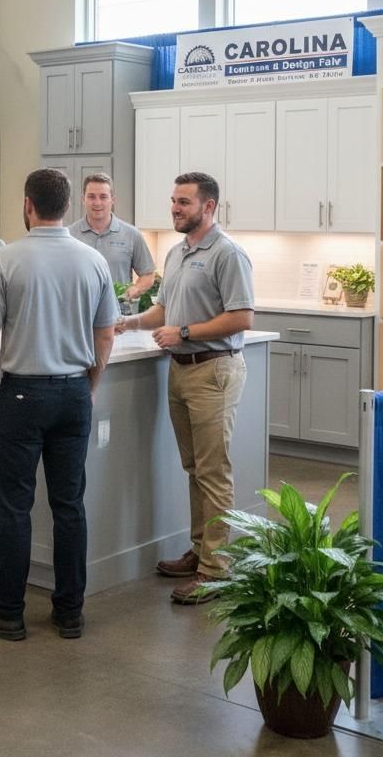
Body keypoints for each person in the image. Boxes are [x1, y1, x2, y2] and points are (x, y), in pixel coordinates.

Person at [0, 168, 118, 641]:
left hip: (22, 395)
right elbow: (105, 334)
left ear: (28, 205)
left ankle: (8, 611)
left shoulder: (5, 261)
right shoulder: (93, 261)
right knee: (69, 504)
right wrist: (88, 386)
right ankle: (69, 611)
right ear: (68, 207)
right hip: (73, 392)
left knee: (15, 506)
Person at [116, 171, 254, 604]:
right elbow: (164, 309)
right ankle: (200, 552)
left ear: (208, 207)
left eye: (184, 203)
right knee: (195, 468)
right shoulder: (176, 253)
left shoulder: (228, 254)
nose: (175, 209)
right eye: (173, 201)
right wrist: (129, 323)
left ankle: (216, 569)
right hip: (181, 371)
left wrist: (186, 333)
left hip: (214, 370)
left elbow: (242, 317)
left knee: (214, 473)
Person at [68, 173, 155, 299]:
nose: (97, 203)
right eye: (91, 197)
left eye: (103, 197)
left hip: (120, 313)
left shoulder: (132, 234)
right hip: (79, 313)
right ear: (83, 199)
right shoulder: (69, 235)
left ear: (112, 200)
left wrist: (136, 288)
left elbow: (148, 275)